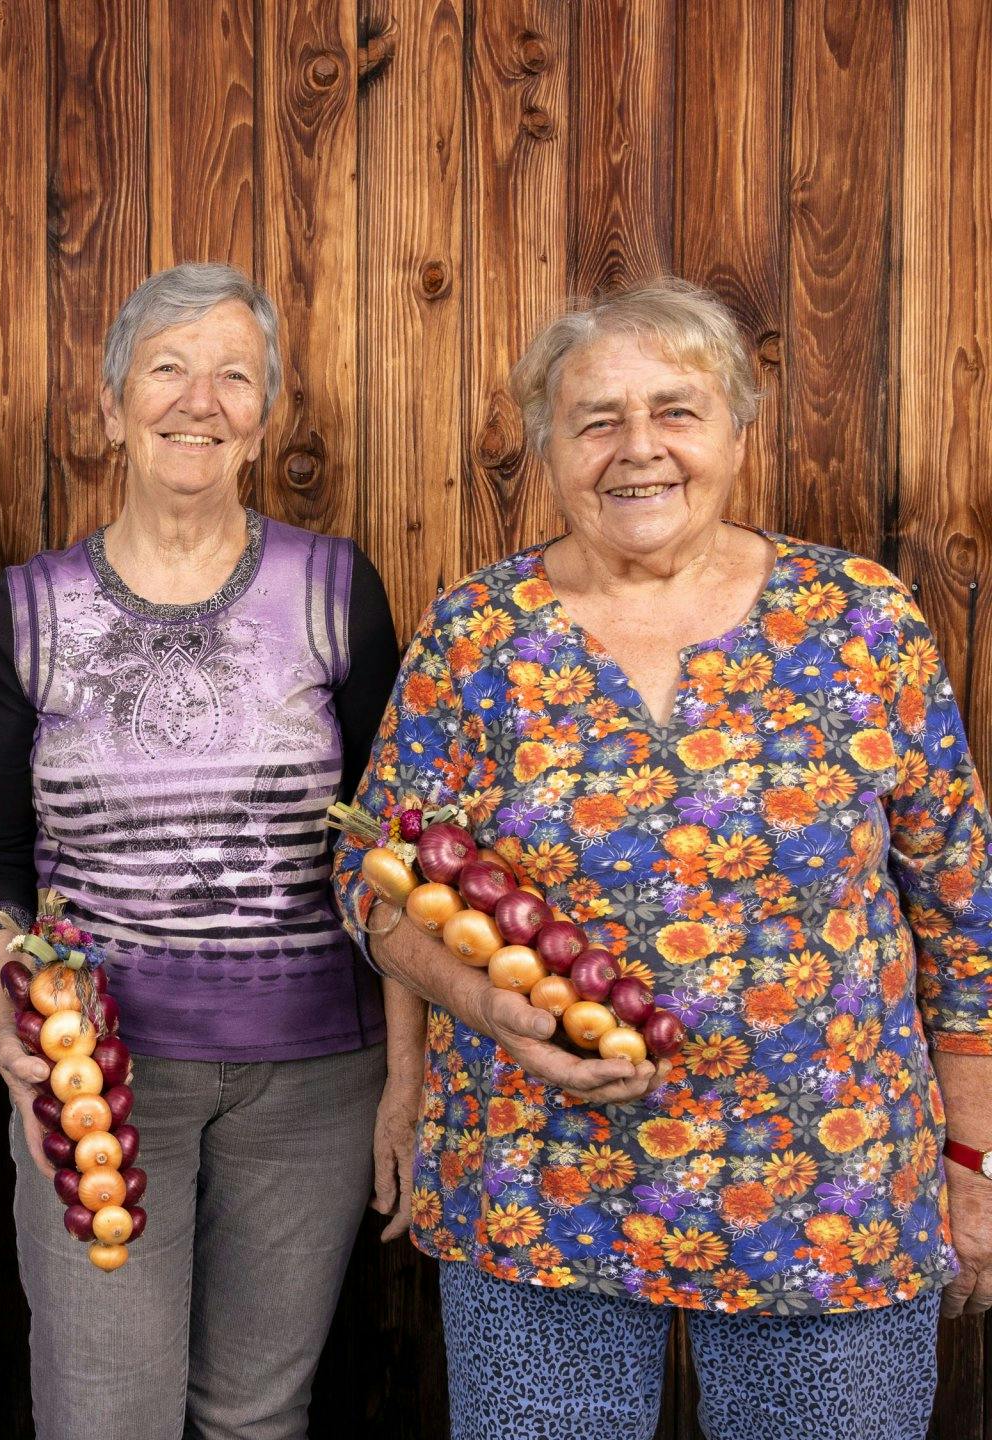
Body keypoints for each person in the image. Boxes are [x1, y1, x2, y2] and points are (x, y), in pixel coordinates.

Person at [338, 278, 992, 1440]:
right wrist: (481, 1005)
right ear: (548, 449)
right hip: (539, 1184)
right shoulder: (476, 636)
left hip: (827, 1188)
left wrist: (975, 1158)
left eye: (676, 411)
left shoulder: (861, 620)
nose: (638, 448)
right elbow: (376, 879)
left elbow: (962, 913)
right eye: (597, 420)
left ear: (738, 430)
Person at [0, 262, 402, 1438]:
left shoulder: (336, 588)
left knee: (256, 1417)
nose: (199, 400)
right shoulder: (22, 613)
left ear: (263, 417)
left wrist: (410, 1074)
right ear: (111, 408)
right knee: (107, 1416)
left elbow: (393, 850)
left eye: (234, 377)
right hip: (97, 1071)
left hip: (314, 1081)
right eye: (166, 369)